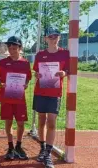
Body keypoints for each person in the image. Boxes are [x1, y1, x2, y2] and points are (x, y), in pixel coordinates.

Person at [33, 27, 69, 168]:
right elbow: (36, 71)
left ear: (59, 38)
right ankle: (42, 148)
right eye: (50, 36)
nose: (53, 38)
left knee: (52, 122)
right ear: (45, 39)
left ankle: (48, 153)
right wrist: (37, 75)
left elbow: (68, 70)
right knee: (41, 120)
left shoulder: (65, 53)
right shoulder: (40, 54)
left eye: (56, 36)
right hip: (41, 91)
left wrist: (63, 73)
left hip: (55, 93)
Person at [0, 36, 32, 161]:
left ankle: (19, 146)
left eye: (14, 47)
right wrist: (1, 84)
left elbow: (28, 77)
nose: (11, 49)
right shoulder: (3, 62)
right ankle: (10, 147)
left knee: (20, 123)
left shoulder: (25, 63)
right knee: (8, 122)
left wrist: (25, 84)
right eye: (9, 47)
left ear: (19, 48)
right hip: (7, 97)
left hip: (19, 98)